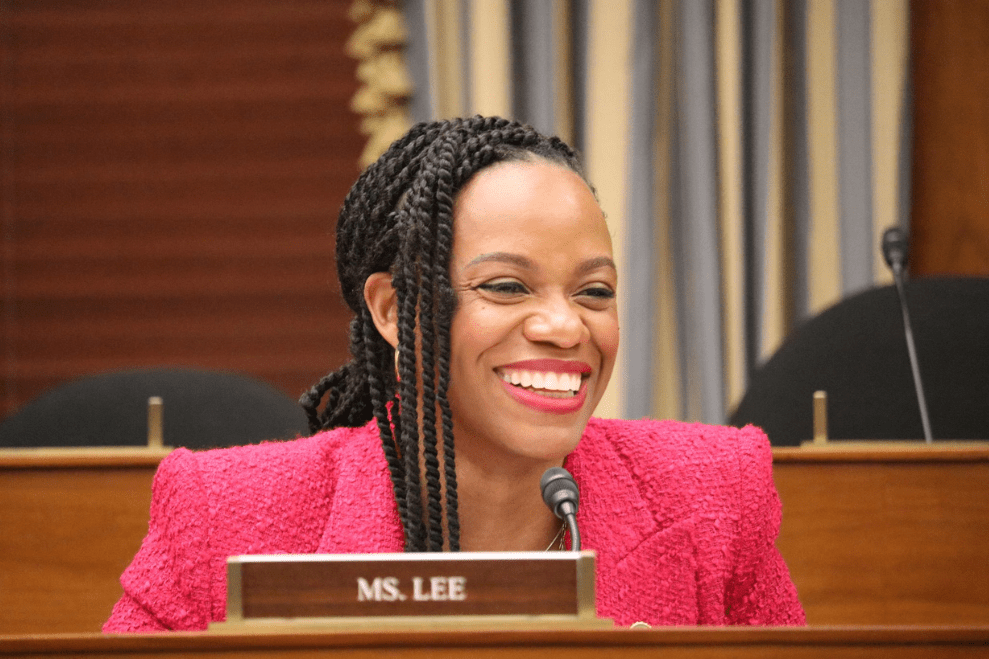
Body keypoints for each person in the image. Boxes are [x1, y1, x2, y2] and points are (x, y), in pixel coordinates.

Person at [103, 116, 804, 632]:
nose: (565, 327)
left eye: (593, 291)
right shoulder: (221, 520)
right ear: (390, 308)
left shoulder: (713, 497)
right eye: (506, 287)